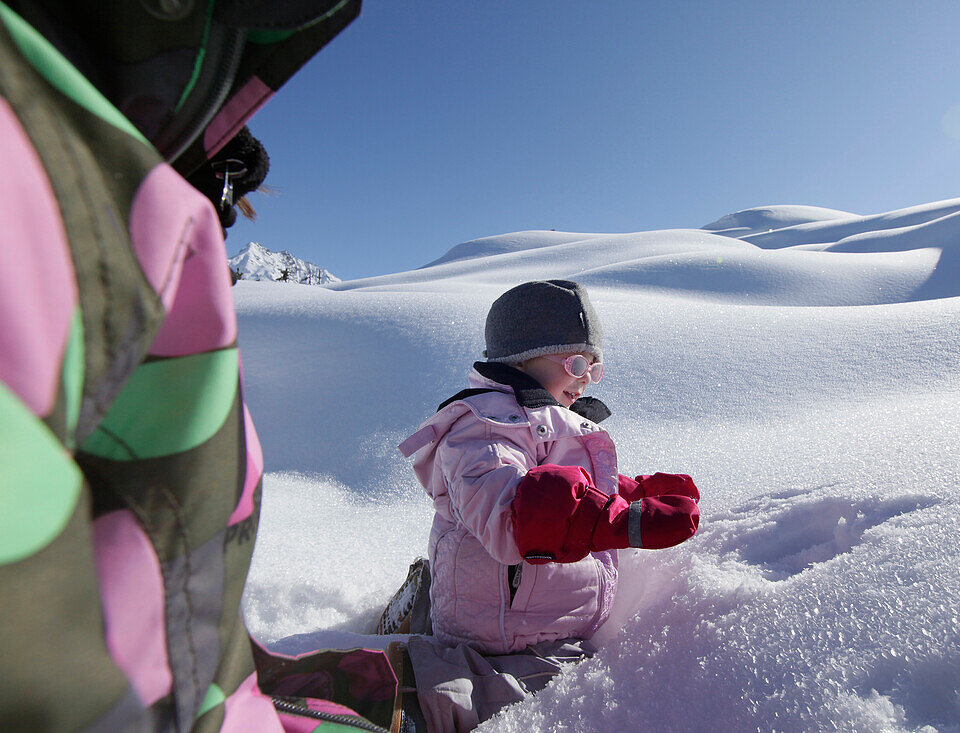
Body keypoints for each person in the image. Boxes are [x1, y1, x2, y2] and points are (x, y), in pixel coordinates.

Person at [0, 2, 412, 731]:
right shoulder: (53, 191)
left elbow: (171, 635)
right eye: (222, 191)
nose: (219, 215)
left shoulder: (104, 209)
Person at [396, 279, 701, 731]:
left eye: (595, 368)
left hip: (537, 617)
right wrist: (621, 521)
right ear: (522, 357)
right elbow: (510, 512)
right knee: (528, 696)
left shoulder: (547, 421)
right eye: (577, 362)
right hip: (506, 636)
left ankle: (423, 604)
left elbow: (566, 485)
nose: (585, 379)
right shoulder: (482, 427)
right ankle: (415, 691)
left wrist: (628, 493)